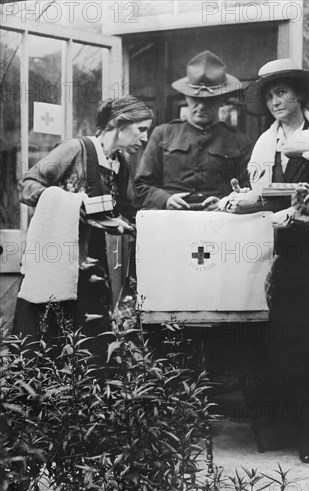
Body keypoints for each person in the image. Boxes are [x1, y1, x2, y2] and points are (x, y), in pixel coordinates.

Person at [227, 58, 309, 463]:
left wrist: (301, 209)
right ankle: (283, 429)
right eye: (271, 95)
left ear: (300, 94)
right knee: (277, 341)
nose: (277, 101)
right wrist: (245, 202)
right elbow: (261, 195)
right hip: (273, 250)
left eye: (283, 92)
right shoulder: (263, 144)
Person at [14, 95, 153, 350]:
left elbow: (128, 209)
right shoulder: (75, 149)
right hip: (58, 260)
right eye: (141, 129)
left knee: (90, 345)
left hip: (95, 269)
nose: (145, 138)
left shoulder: (122, 164)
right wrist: (73, 204)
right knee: (46, 340)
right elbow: (27, 185)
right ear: (119, 123)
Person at [135, 51, 252, 210]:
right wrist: (165, 200)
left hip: (219, 222)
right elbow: (141, 186)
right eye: (196, 98)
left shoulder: (240, 141)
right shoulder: (162, 134)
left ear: (222, 100)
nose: (202, 106)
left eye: (209, 99)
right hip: (169, 221)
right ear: (186, 97)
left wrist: (224, 203)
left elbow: (248, 189)